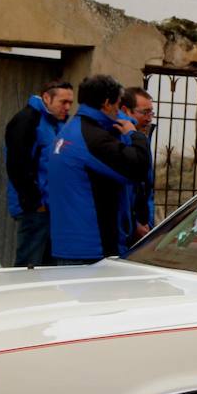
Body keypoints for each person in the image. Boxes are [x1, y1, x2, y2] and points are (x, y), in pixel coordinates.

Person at [48, 74, 151, 265]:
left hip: (68, 242)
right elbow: (137, 168)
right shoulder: (93, 139)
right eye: (118, 104)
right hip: (92, 247)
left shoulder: (70, 130)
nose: (120, 111)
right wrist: (135, 135)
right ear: (106, 103)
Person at [4, 80, 74, 266]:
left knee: (47, 268)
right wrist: (35, 203)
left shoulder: (55, 124)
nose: (67, 107)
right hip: (35, 210)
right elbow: (17, 165)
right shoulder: (27, 120)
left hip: (51, 209)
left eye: (70, 103)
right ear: (46, 98)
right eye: (63, 102)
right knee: (29, 266)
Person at [119, 86, 157, 239]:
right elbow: (127, 190)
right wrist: (134, 224)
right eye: (144, 112)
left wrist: (148, 222)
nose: (149, 118)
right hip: (127, 230)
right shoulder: (119, 141)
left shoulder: (142, 138)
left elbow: (147, 188)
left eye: (151, 112)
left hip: (142, 226)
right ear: (126, 110)